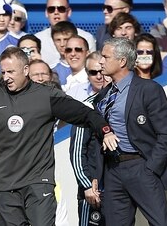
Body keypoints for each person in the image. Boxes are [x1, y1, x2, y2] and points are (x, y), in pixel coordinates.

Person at [0, 46, 118, 225]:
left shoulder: (46, 96)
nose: (6, 77)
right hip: (5, 186)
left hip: (38, 183)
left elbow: (85, 114)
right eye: (3, 72)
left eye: (11, 71)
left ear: (25, 70)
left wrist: (105, 130)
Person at [95, 37, 167, 225]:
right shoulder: (103, 95)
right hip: (112, 170)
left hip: (141, 166)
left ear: (122, 61)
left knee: (160, 223)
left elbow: (166, 134)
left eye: (105, 57)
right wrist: (97, 175)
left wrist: (150, 169)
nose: (100, 61)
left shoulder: (149, 89)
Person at [69, 51, 109, 226]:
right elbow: (77, 152)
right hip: (93, 189)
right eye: (93, 72)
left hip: (117, 187)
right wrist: (86, 185)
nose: (99, 76)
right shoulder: (84, 107)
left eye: (102, 71)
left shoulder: (122, 103)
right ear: (87, 74)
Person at [35, 0, 96, 66]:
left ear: (69, 12)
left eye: (61, 9)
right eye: (51, 9)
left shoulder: (86, 38)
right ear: (46, 13)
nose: (56, 12)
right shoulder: (37, 39)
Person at [50, 21, 77, 85]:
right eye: (58, 40)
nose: (62, 44)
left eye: (66, 39)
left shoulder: (87, 67)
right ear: (53, 42)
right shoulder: (52, 71)